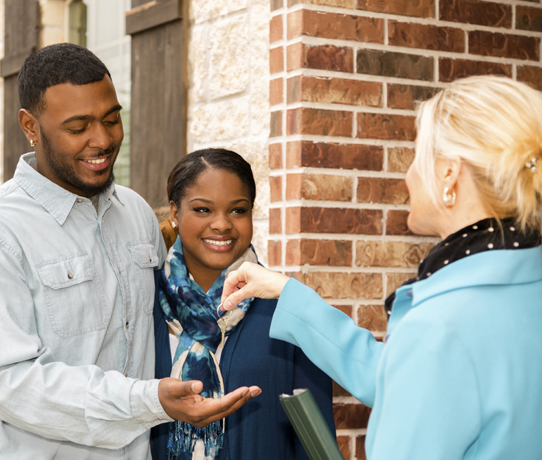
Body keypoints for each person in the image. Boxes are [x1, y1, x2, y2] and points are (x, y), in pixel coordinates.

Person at [0, 43, 258, 460]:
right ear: (30, 126)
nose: (103, 139)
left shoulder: (137, 215)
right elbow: (12, 385)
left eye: (112, 119)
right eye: (78, 127)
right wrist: (148, 400)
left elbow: (187, 308)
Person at [219, 75, 542, 459]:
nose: (406, 177)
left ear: (448, 174)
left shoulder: (441, 325)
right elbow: (409, 380)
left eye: (415, 157)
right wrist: (288, 293)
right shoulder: (518, 288)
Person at [150, 149, 334, 460]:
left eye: (237, 210)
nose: (222, 224)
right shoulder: (142, 301)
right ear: (175, 213)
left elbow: (315, 443)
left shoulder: (287, 310)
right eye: (203, 210)